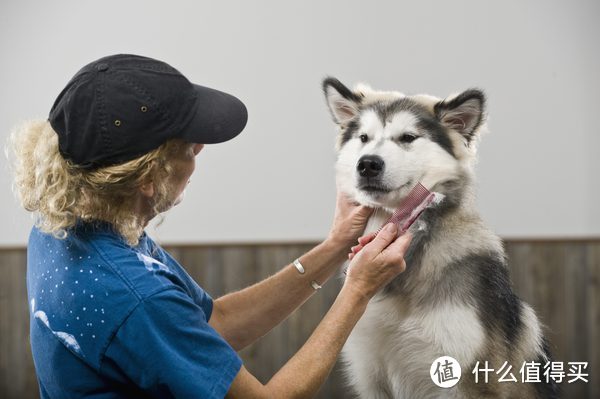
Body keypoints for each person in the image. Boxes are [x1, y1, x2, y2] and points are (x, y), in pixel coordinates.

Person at [9, 54, 412, 398]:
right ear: (148, 178)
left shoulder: (65, 225)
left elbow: (212, 324)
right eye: (187, 145)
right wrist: (357, 289)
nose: (200, 147)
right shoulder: (136, 297)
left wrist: (335, 247)